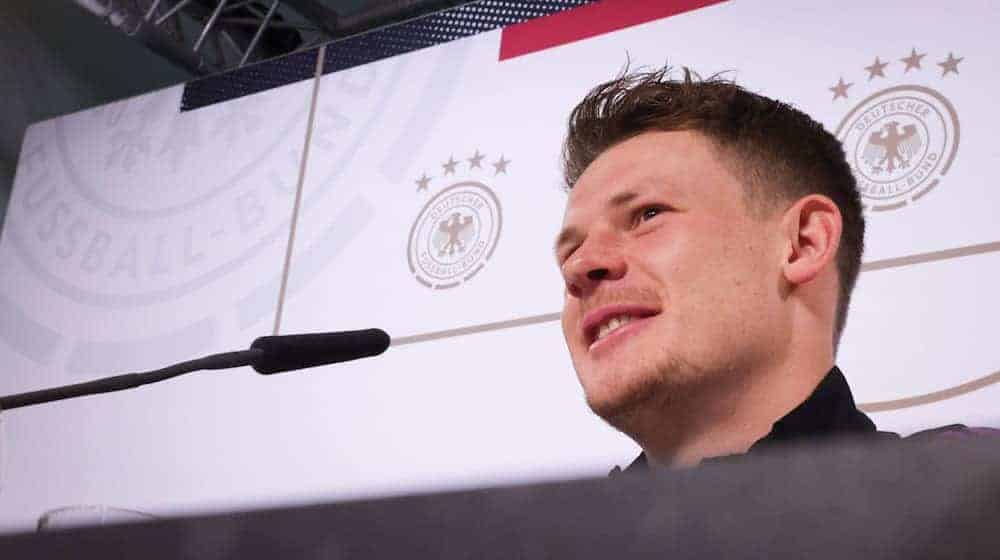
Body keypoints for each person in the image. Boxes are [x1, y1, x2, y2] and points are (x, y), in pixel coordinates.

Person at [555, 67, 909, 472]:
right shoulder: (539, 536)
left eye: (647, 214)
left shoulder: (977, 509)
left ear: (803, 243)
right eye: (569, 252)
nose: (580, 266)